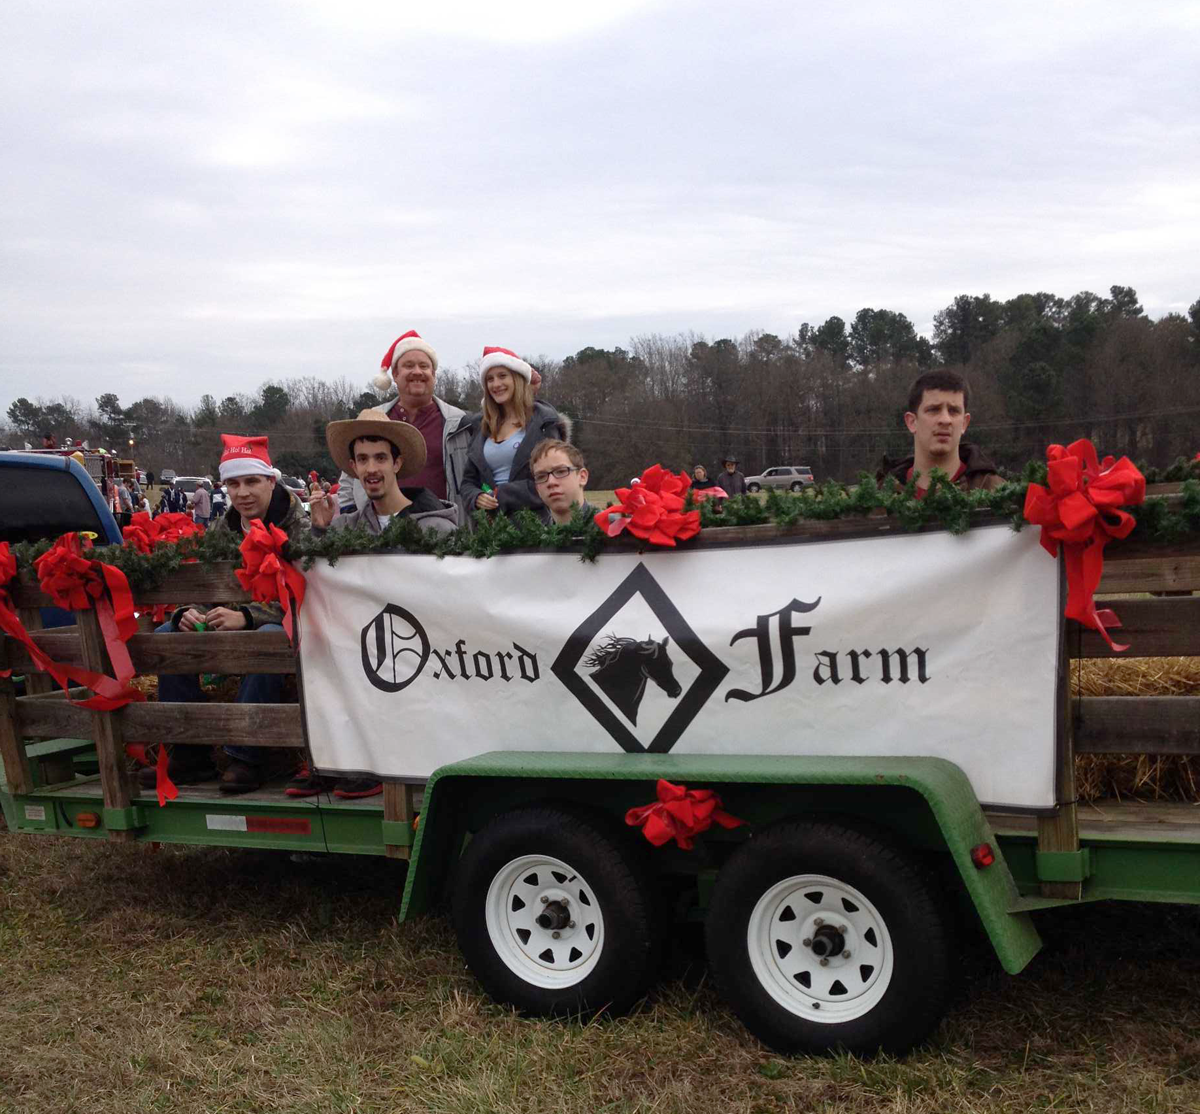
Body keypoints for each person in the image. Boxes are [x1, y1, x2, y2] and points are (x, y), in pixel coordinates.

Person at [294, 411, 458, 800]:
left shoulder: (436, 527)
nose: (372, 468)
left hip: (423, 648)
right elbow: (313, 584)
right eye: (363, 460)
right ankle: (335, 757)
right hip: (363, 645)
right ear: (352, 468)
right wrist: (318, 531)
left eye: (380, 458)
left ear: (397, 463)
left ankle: (379, 761)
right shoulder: (343, 527)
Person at [143, 435, 309, 795]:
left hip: (285, 625)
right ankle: (190, 750)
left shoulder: (299, 526)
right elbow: (204, 583)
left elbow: (303, 593)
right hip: (229, 619)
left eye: (251, 481)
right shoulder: (222, 528)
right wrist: (188, 611)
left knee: (265, 637)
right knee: (167, 637)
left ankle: (246, 754)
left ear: (270, 481)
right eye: (234, 483)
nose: (243, 492)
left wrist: (248, 616)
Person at [340, 330, 472, 522]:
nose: (417, 371)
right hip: (381, 534)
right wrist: (357, 522)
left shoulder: (459, 422)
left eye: (424, 366)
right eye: (409, 366)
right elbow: (348, 480)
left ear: (433, 374)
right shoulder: (373, 418)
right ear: (395, 374)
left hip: (442, 530)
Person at [459, 346, 571, 520]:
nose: (496, 384)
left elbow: (554, 479)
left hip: (534, 527)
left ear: (517, 379)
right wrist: (476, 497)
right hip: (489, 531)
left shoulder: (544, 422)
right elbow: (468, 482)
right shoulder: (481, 426)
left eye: (502, 376)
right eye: (490, 379)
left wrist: (502, 495)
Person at [878, 369, 1003, 496]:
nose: (945, 420)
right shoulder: (877, 497)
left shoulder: (997, 493)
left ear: (964, 423)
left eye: (954, 411)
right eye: (933, 410)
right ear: (912, 422)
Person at [530, 439, 598, 525]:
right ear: (537, 489)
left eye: (561, 471)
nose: (551, 482)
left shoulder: (611, 530)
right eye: (541, 476)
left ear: (582, 477)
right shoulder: (534, 536)